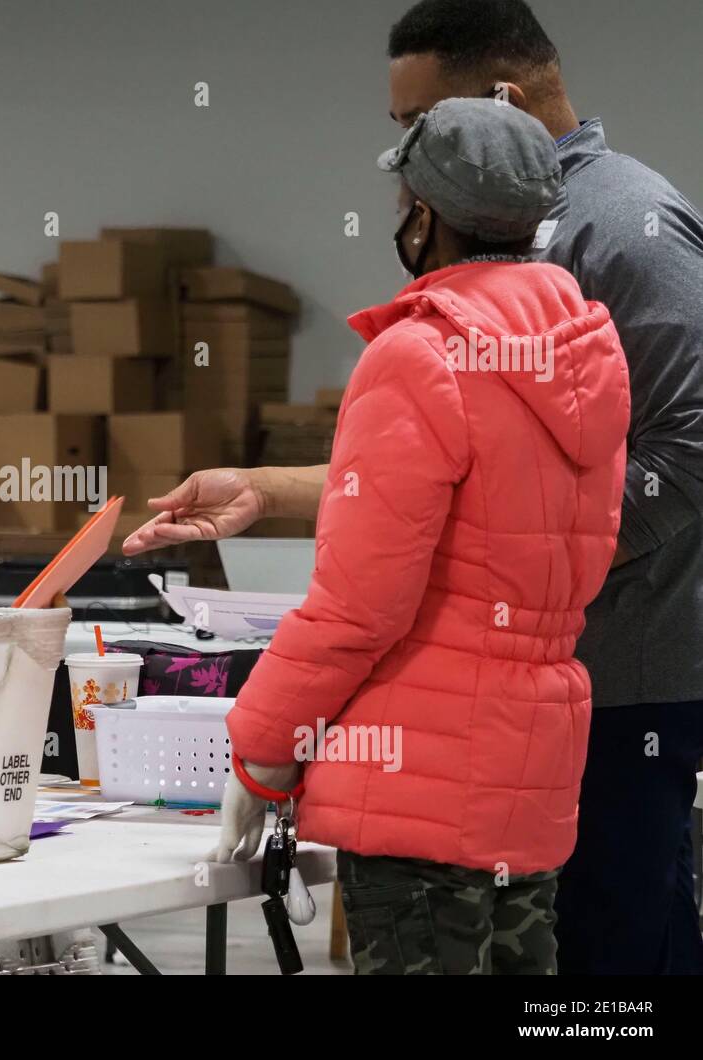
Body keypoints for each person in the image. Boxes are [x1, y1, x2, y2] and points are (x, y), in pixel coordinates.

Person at [126, 0, 703, 977]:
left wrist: (262, 753)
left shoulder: (621, 232)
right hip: (541, 732)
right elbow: (468, 492)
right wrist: (267, 489)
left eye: (413, 134)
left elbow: (686, 454)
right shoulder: (569, 325)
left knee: (622, 960)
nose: (403, 169)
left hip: (602, 703)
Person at [187, 98, 629, 974]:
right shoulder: (586, 354)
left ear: (424, 216)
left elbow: (358, 606)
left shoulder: (420, 355)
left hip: (417, 794)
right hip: (530, 785)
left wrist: (262, 754)